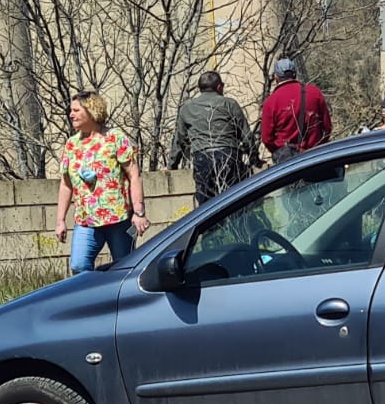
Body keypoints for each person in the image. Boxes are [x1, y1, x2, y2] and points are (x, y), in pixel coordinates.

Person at [55, 91, 149, 274]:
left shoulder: (115, 138)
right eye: (70, 110)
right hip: (86, 220)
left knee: (125, 269)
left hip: (119, 219)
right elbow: (66, 185)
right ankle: (91, 298)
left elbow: (134, 176)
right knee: (79, 265)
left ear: (91, 111)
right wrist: (60, 220)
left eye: (76, 110)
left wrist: (139, 212)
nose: (71, 115)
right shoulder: (71, 144)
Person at [168, 70, 256, 205]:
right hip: (228, 155)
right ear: (219, 87)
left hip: (202, 157)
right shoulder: (229, 104)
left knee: (207, 206)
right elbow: (246, 135)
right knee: (234, 202)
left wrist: (172, 165)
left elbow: (179, 140)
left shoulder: (187, 108)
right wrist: (253, 158)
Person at [259, 58, 332, 163]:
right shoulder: (314, 92)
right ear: (295, 74)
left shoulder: (270, 103)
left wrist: (281, 151)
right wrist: (320, 144)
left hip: (290, 164)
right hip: (317, 157)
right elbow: (327, 127)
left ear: (276, 78)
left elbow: (266, 139)